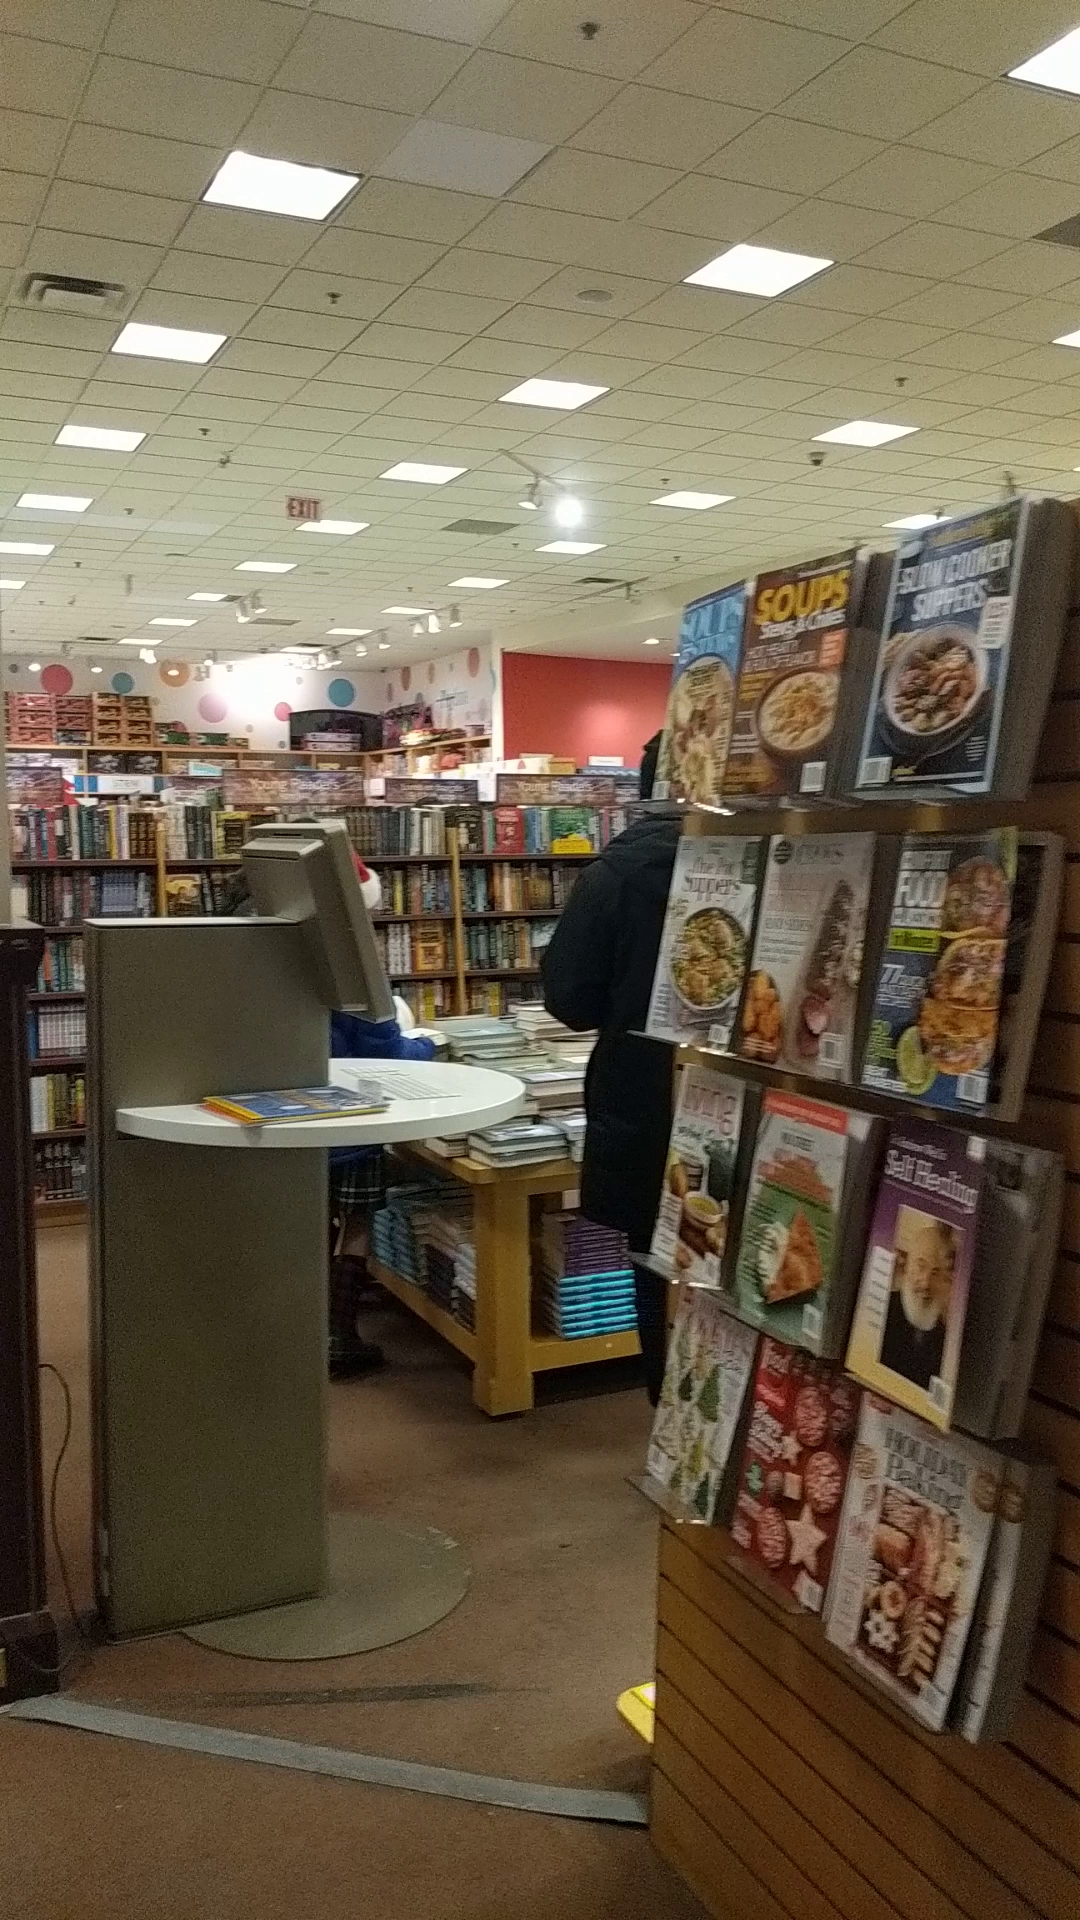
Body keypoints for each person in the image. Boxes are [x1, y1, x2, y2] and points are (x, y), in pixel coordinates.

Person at [540, 731, 680, 1404]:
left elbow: (570, 999)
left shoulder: (618, 874)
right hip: (767, 1096)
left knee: (656, 1264)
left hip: (644, 1098)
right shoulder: (780, 848)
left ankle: (670, 1423)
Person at [328, 855, 435, 1378]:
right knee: (357, 1219)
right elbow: (386, 1051)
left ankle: (302, 1324)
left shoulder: (271, 946)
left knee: (306, 1220)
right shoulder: (354, 966)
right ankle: (340, 1333)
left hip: (287, 1112)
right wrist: (427, 1046)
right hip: (351, 1117)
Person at [879, 1209, 954, 1392]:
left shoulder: (946, 1339)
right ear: (907, 1266)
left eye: (936, 1273)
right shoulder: (882, 1310)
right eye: (921, 1267)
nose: (926, 1282)